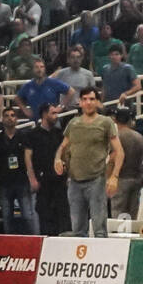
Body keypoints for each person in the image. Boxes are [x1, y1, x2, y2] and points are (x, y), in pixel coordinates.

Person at [54, 88, 123, 237]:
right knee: (77, 229)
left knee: (99, 228)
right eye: (85, 99)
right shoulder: (73, 123)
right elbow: (63, 146)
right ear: (79, 102)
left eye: (92, 99)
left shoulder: (105, 122)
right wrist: (57, 159)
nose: (88, 102)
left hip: (96, 179)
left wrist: (114, 176)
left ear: (97, 102)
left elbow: (119, 151)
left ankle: (101, 258)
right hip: (74, 180)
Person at [0, 104, 39, 234]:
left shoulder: (24, 136)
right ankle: (10, 248)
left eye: (12, 115)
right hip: (4, 183)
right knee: (7, 217)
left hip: (22, 182)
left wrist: (32, 179)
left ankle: (33, 243)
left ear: (16, 119)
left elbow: (28, 160)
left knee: (28, 215)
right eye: (6, 116)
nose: (10, 118)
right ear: (2, 120)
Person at [29, 101, 70, 234]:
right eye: (53, 113)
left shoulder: (59, 134)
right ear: (44, 114)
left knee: (62, 213)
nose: (56, 116)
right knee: (44, 214)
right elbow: (27, 158)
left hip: (59, 180)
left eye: (57, 113)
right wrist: (32, 179)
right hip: (43, 181)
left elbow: (66, 154)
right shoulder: (33, 134)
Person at [111, 105, 143, 219]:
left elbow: (112, 159)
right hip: (136, 178)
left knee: (118, 212)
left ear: (115, 120)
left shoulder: (116, 137)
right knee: (133, 213)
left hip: (120, 179)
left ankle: (117, 235)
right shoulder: (139, 137)